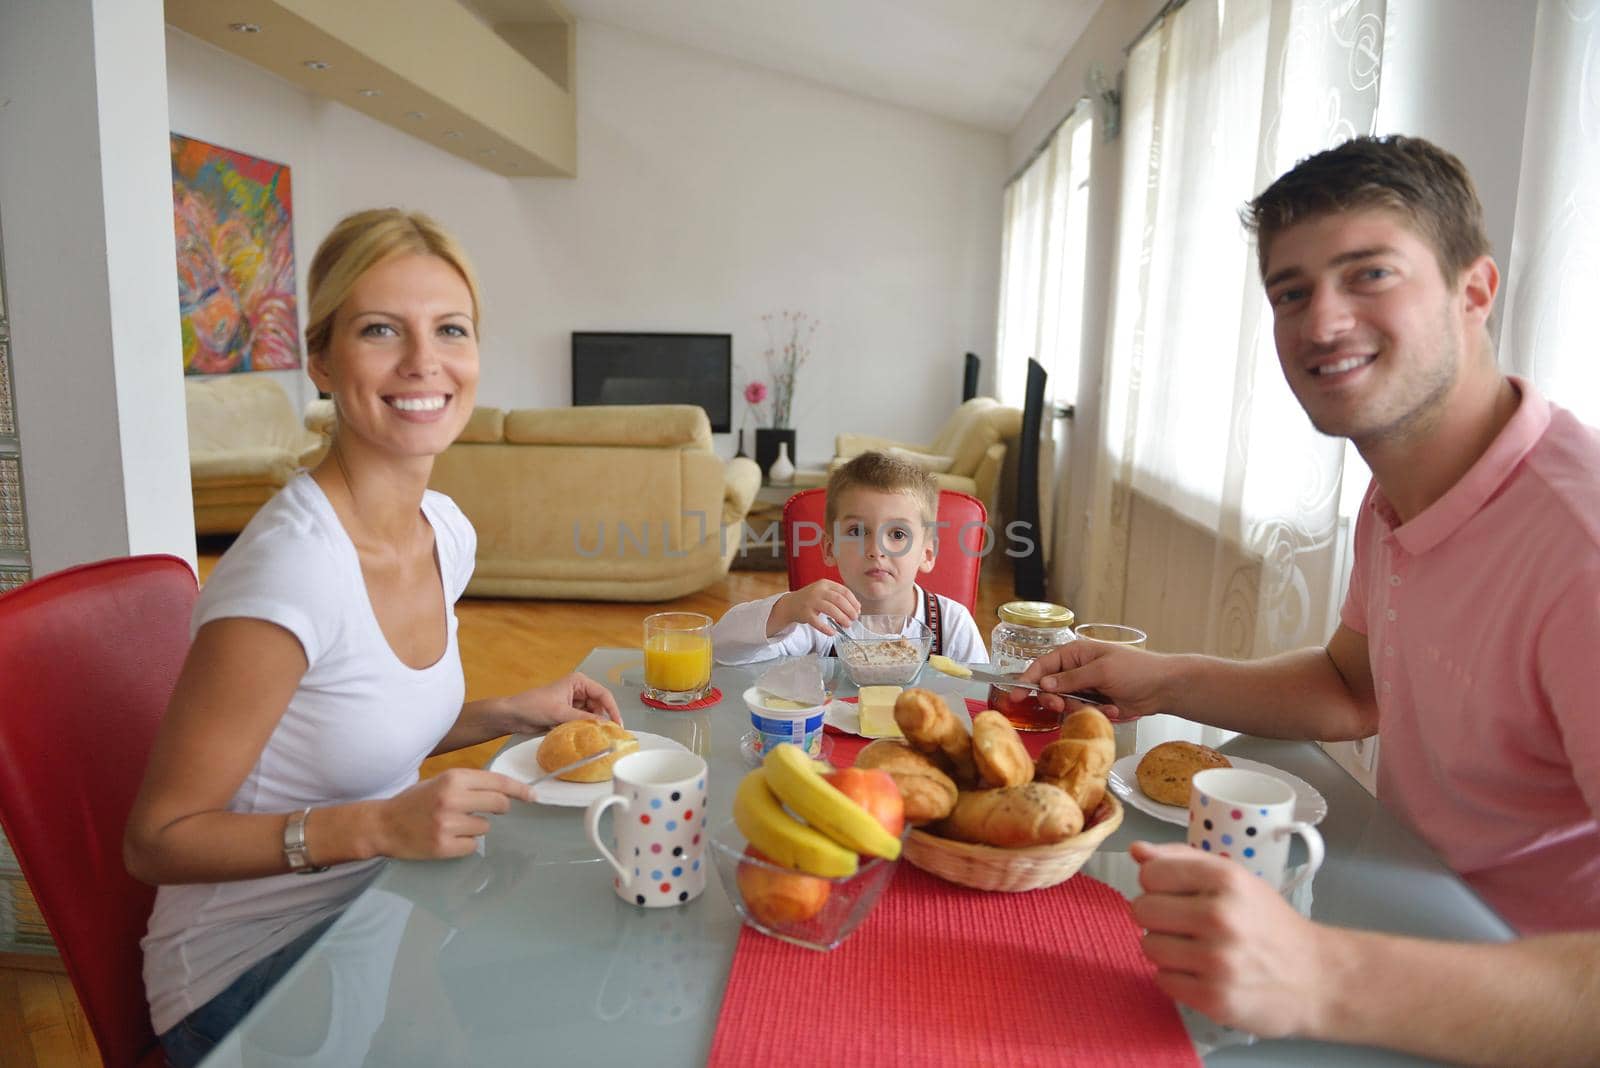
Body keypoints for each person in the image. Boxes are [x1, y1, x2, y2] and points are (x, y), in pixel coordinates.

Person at [1023, 135, 1600, 1066]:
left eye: (1368, 274)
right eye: (1292, 292)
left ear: (1475, 291)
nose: (1322, 321)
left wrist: (1320, 975)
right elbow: (1350, 687)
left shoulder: (1581, 545)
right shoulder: (1400, 486)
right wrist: (1163, 676)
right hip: (1411, 917)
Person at [124, 208, 623, 1067]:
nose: (424, 363)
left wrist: (506, 711)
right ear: (321, 359)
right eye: (381, 330)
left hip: (384, 908)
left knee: (602, 969)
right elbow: (157, 840)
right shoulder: (291, 573)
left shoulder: (445, 530)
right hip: (248, 977)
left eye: (451, 330)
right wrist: (377, 828)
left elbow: (356, 721)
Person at [712, 451, 987, 664]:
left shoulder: (952, 624)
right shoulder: (817, 621)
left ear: (927, 554)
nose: (876, 549)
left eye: (898, 534)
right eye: (857, 531)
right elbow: (721, 649)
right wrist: (787, 608)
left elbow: (978, 702)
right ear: (830, 549)